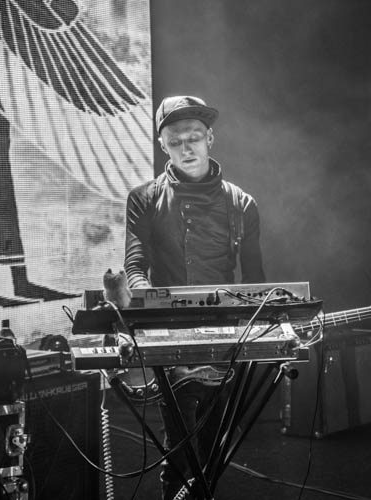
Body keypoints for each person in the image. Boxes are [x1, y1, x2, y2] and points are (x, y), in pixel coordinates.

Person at [124, 95, 265, 499]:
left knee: (214, 449)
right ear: (163, 146)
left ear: (210, 139)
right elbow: (135, 265)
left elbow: (255, 281)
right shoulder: (144, 198)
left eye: (194, 138)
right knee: (181, 450)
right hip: (171, 336)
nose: (186, 148)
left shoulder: (241, 203)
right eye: (175, 141)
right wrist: (148, 300)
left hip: (225, 338)